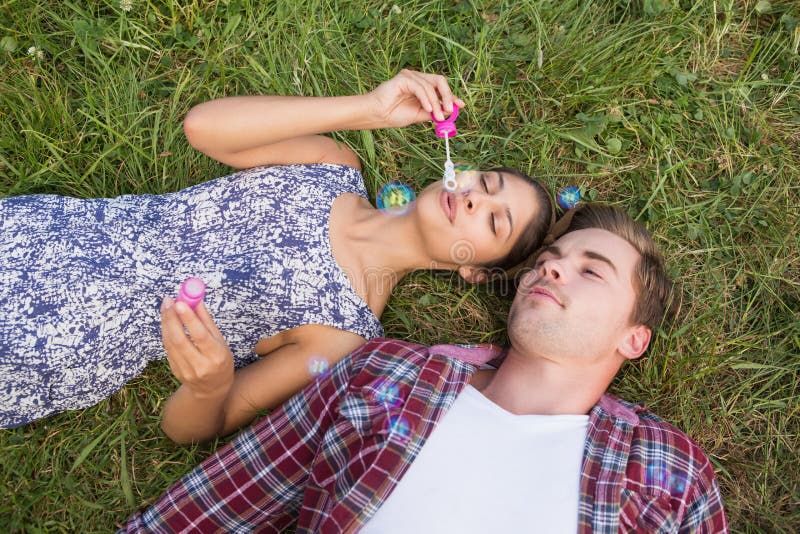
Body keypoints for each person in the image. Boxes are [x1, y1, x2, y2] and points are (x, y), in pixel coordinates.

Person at [0, 70, 554, 442]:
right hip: (47, 231)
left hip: (53, 340)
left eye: (494, 219)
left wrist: (209, 385)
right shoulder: (331, 164)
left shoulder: (341, 335)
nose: (478, 196)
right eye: (489, 180)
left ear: (474, 269)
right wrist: (367, 108)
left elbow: (190, 428)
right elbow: (203, 127)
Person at [121, 203, 728, 533]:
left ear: (634, 339)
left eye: (591, 271)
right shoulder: (384, 375)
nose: (552, 269)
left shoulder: (669, 471)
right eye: (549, 258)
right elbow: (214, 505)